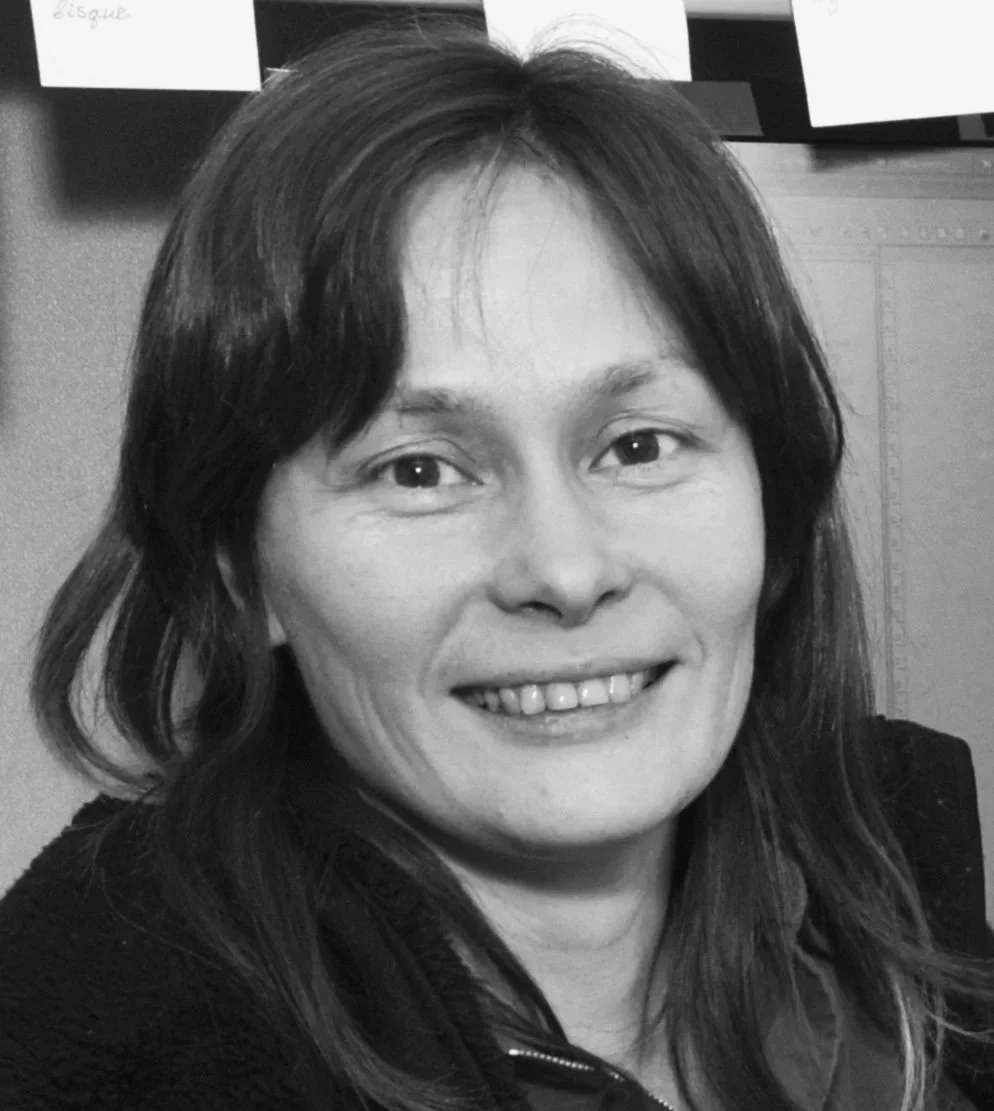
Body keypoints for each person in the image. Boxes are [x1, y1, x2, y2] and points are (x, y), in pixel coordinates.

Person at [0, 15, 992, 1111]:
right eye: (419, 471)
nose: (564, 572)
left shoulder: (908, 950)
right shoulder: (108, 1053)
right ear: (241, 571)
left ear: (776, 504)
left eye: (637, 445)